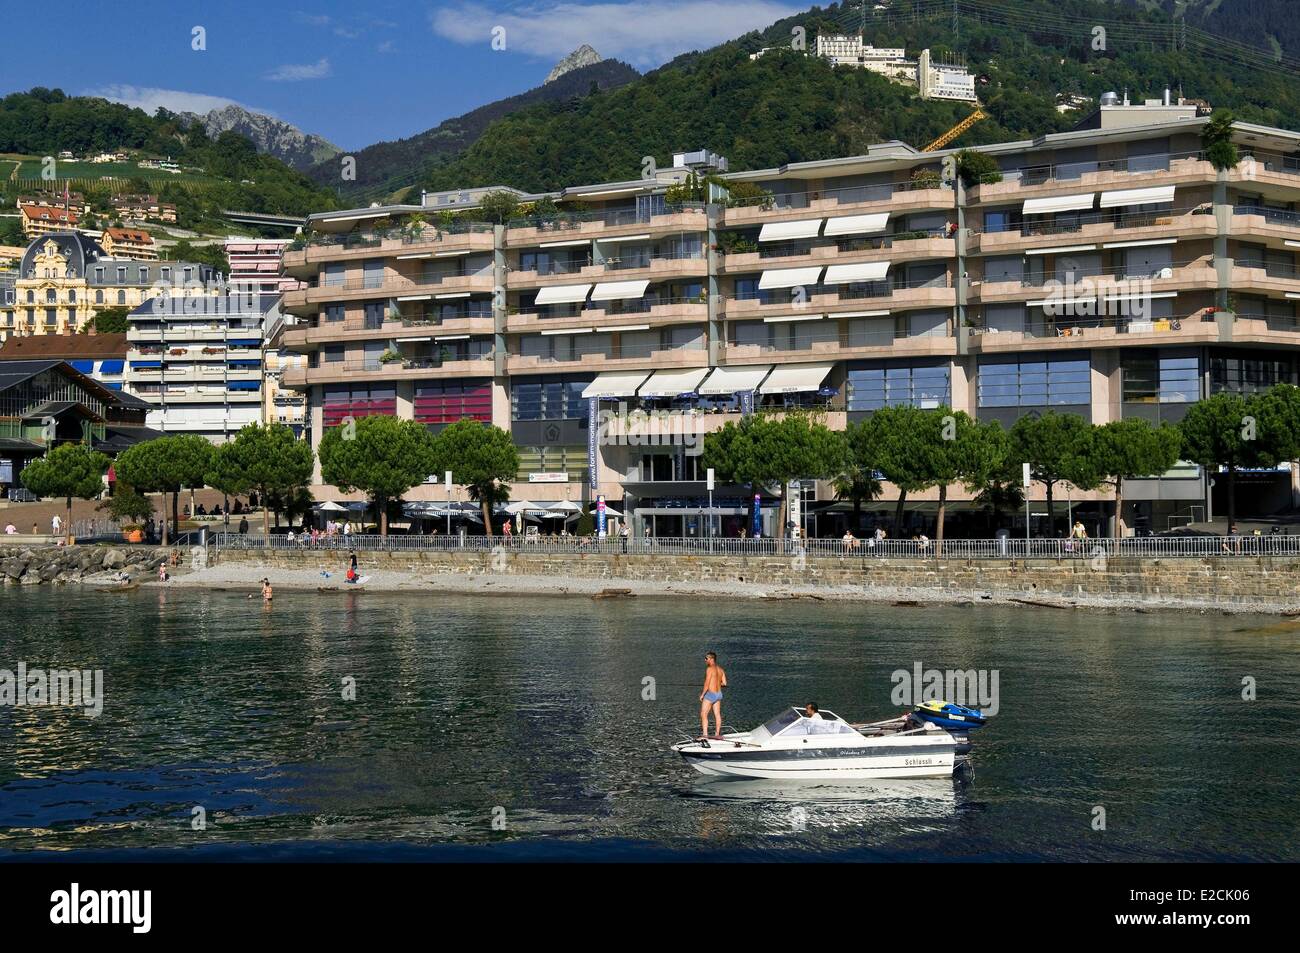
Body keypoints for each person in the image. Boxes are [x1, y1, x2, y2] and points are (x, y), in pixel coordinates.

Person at [699, 651, 727, 740]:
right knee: (717, 714)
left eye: (706, 658)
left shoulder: (709, 669)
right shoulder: (720, 669)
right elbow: (725, 683)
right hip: (719, 694)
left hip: (711, 694)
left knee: (703, 714)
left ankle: (705, 735)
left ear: (711, 659)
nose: (705, 660)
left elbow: (706, 684)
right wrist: (717, 682)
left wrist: (702, 695)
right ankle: (717, 734)